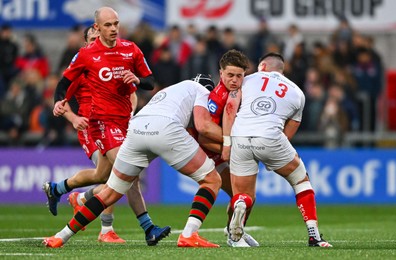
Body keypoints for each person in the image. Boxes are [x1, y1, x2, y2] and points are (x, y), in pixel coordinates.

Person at [43, 74, 223, 248]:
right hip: (163, 128)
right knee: (211, 180)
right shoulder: (203, 91)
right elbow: (203, 127)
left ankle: (61, 236)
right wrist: (232, 142)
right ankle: (189, 235)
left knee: (109, 193)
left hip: (136, 128)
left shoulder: (174, 89)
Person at [44, 7, 170, 245]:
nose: (113, 29)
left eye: (116, 24)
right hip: (101, 123)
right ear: (97, 28)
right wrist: (61, 104)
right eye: (108, 25)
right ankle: (145, 228)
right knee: (127, 171)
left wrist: (137, 80)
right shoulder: (86, 55)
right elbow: (64, 83)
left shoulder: (130, 49)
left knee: (103, 175)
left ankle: (61, 190)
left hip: (124, 123)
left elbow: (150, 81)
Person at [221, 52, 332, 248]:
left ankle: (235, 231)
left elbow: (230, 108)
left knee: (244, 195)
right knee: (300, 180)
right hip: (271, 137)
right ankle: (314, 236)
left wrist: (227, 143)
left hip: (240, 136)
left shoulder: (246, 80)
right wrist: (276, 153)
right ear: (282, 69)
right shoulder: (297, 92)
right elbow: (289, 130)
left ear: (262, 66)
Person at [190, 49, 258, 247]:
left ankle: (235, 230)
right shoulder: (217, 97)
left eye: (239, 75)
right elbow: (204, 136)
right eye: (230, 75)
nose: (235, 80)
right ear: (221, 73)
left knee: (247, 197)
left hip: (225, 150)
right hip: (212, 153)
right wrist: (233, 145)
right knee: (242, 195)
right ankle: (233, 235)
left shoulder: (241, 92)